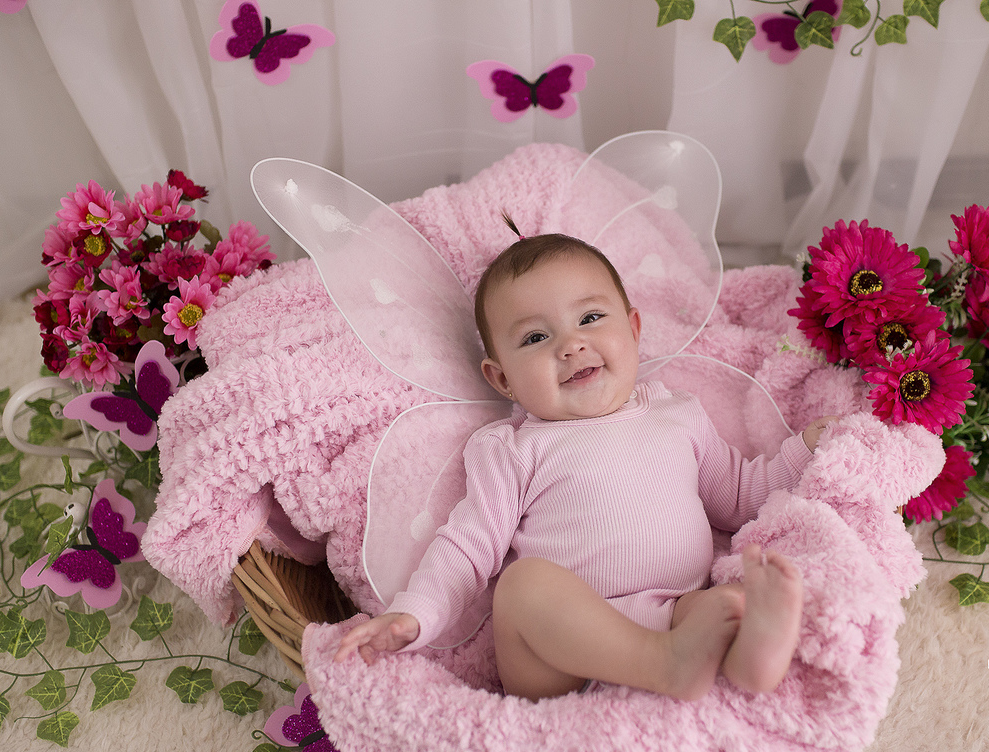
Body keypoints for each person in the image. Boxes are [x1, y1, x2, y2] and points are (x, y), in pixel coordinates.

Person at [334, 224, 836, 702]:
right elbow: (465, 548)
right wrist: (413, 615)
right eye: (535, 338)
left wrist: (807, 450)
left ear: (634, 329)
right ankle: (665, 663)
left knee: (726, 604)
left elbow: (742, 496)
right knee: (522, 586)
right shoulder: (511, 449)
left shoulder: (677, 415)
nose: (570, 345)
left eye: (590, 318)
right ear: (503, 379)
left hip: (675, 615)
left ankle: (752, 662)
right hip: (560, 663)